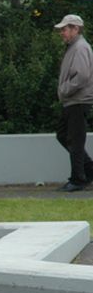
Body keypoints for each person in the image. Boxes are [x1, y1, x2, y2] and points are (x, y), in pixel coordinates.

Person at [54, 14, 93, 192]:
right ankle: (88, 171)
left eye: (64, 29)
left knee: (74, 140)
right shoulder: (75, 47)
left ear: (75, 29)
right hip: (73, 101)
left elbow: (82, 76)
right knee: (64, 135)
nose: (62, 33)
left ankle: (78, 179)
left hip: (78, 100)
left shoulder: (80, 47)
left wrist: (64, 90)